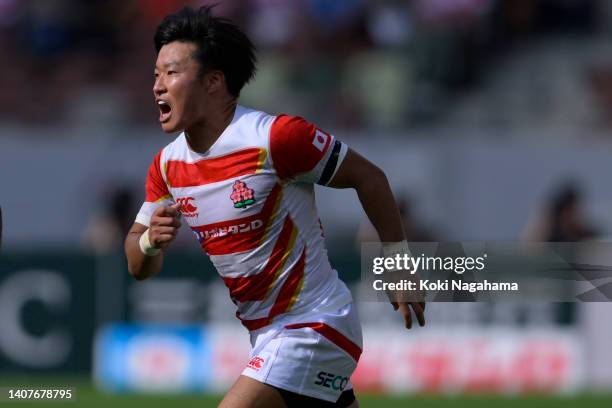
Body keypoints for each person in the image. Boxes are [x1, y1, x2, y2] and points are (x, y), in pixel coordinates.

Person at [124, 6, 425, 408]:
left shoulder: (275, 138)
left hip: (315, 324)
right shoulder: (166, 167)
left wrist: (399, 264)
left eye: (172, 73)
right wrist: (149, 245)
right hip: (265, 335)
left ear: (214, 82)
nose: (158, 86)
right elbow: (137, 266)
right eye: (156, 75)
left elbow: (369, 177)